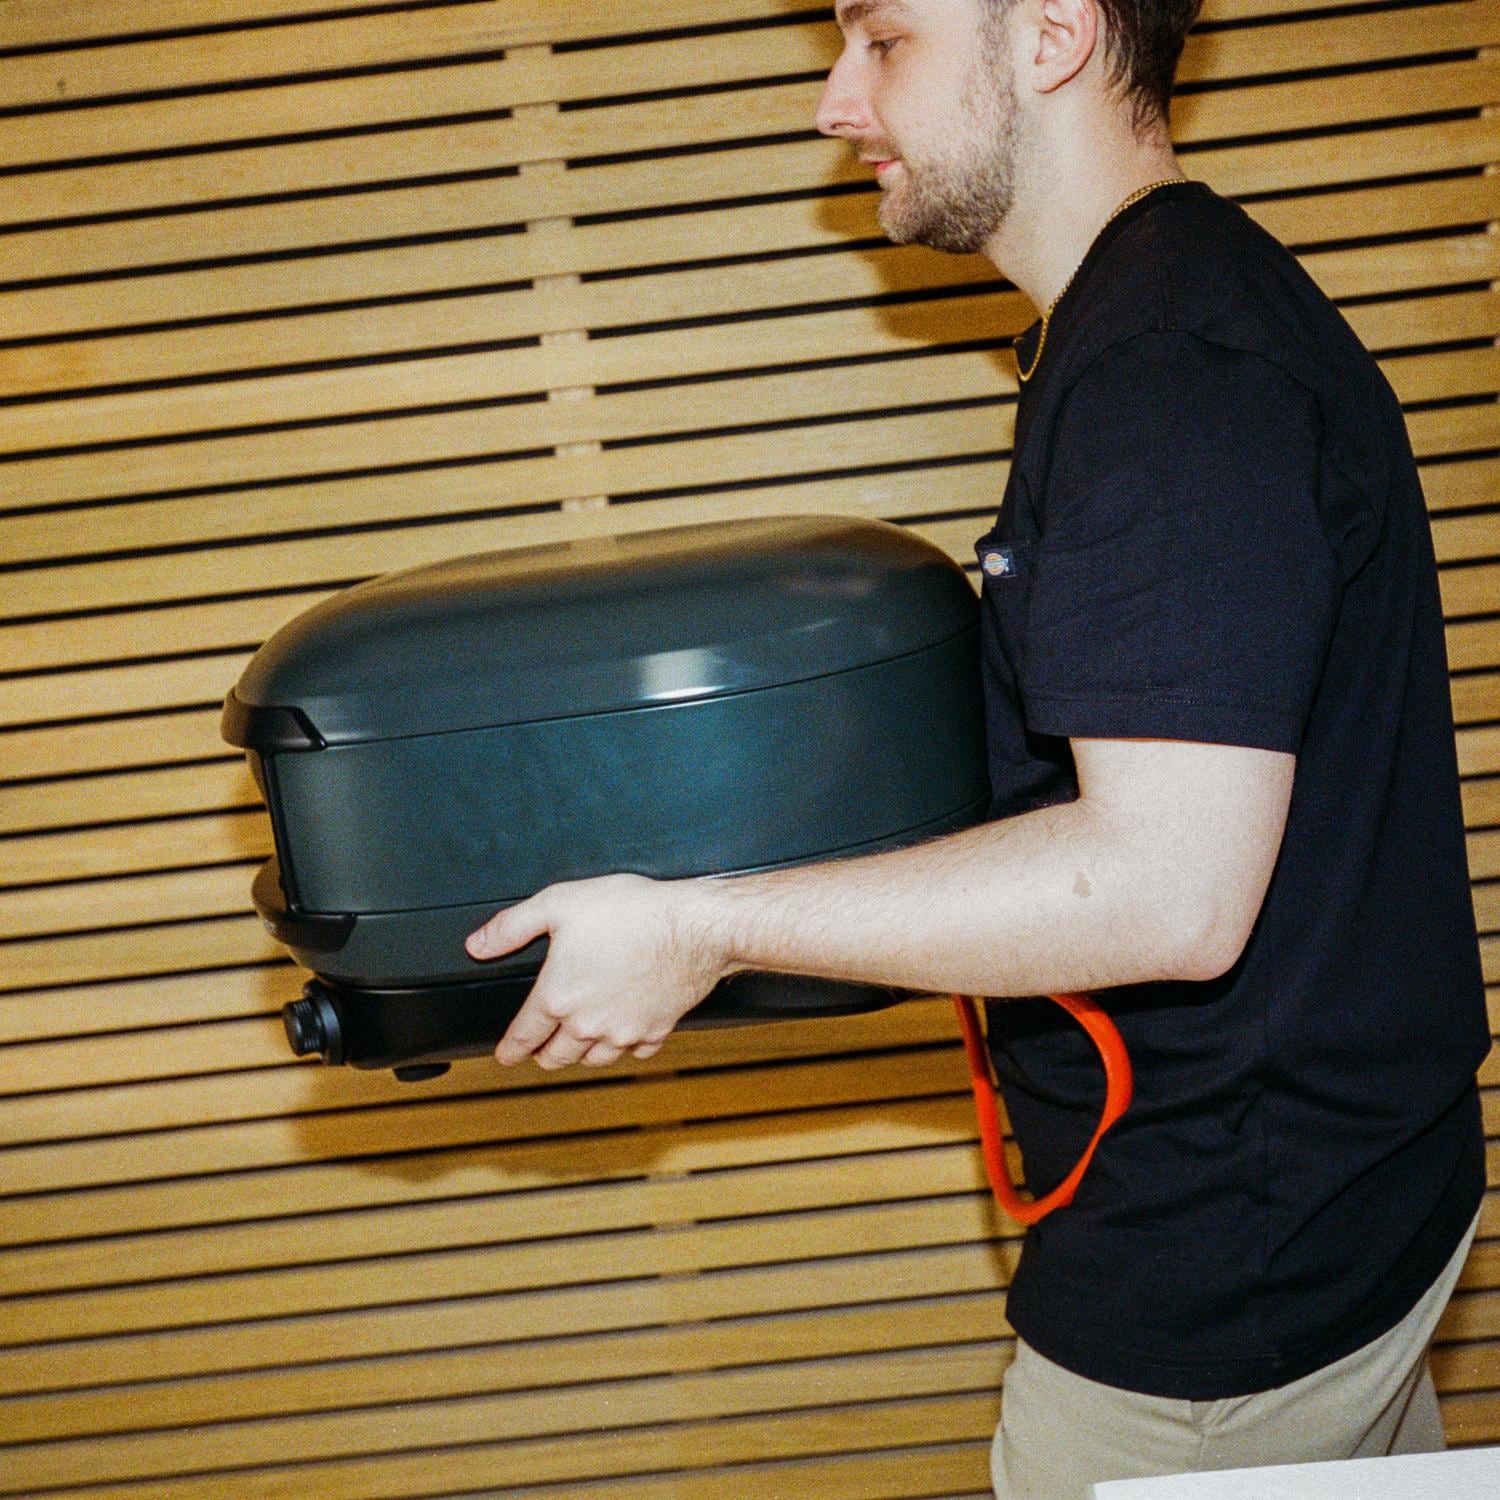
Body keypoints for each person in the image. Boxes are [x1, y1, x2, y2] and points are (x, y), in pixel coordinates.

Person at [467, 1, 1490, 1492]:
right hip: (1323, 1203)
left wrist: (702, 929)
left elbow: (1165, 890)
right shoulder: (1160, 318)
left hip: (1230, 1270)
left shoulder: (1171, 370)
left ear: (1053, 35)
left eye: (883, 39)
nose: (835, 101)